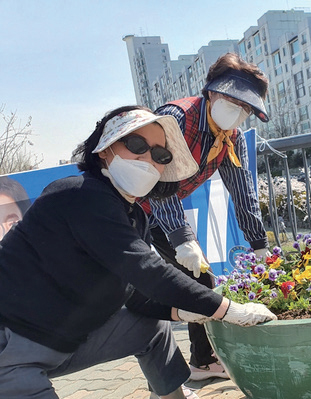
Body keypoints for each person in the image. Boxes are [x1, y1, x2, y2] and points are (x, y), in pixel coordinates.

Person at [0, 105, 277, 399]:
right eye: (137, 145)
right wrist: (226, 309)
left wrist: (177, 310)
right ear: (105, 150)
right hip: (12, 350)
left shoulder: (132, 214)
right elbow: (147, 270)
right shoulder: (77, 194)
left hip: (64, 340)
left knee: (152, 328)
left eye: (160, 156)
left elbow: (133, 291)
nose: (148, 159)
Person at [138, 53, 271, 380]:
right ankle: (164, 382)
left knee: (198, 281)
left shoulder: (229, 138)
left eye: (245, 108)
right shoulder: (176, 120)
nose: (237, 112)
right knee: (140, 297)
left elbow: (243, 191)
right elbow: (158, 182)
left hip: (157, 213)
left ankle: (202, 360)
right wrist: (182, 239)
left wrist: (259, 245)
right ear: (211, 91)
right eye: (231, 100)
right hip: (126, 206)